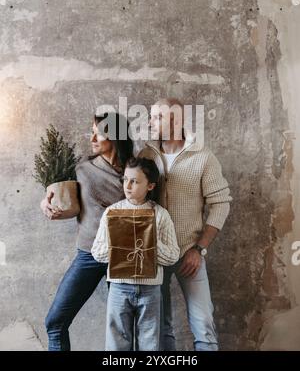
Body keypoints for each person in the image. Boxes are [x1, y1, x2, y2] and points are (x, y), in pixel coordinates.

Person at [139, 98, 232, 351]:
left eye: (157, 117)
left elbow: (221, 203)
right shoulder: (147, 154)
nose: (150, 122)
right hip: (154, 256)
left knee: (204, 327)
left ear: (175, 121)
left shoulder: (203, 156)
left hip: (188, 253)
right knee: (160, 330)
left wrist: (199, 249)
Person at [40, 112, 133, 351]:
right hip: (88, 254)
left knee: (125, 330)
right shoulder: (81, 169)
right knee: (55, 321)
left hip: (125, 257)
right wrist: (46, 204)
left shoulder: (135, 170)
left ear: (115, 136)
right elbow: (60, 196)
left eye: (98, 132)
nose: (91, 137)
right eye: (91, 131)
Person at [91, 157, 180, 351]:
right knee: (116, 344)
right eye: (125, 180)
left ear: (150, 186)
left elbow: (173, 255)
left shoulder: (161, 215)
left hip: (151, 290)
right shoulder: (112, 213)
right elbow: (97, 252)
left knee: (150, 344)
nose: (128, 186)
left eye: (135, 181)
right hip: (119, 288)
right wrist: (122, 243)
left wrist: (150, 241)